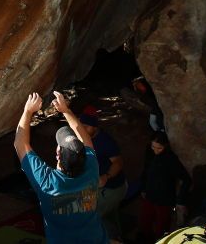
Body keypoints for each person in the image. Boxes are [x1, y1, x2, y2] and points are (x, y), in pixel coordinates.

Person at [14, 91, 107, 244]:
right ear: (84, 155)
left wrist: (28, 111)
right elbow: (87, 139)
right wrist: (66, 111)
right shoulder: (92, 169)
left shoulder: (46, 183)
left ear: (58, 154)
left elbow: (20, 144)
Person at [79, 106, 127, 237]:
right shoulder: (84, 137)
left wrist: (107, 176)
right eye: (81, 125)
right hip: (95, 185)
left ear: (95, 127)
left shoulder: (106, 141)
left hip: (112, 187)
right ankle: (114, 233)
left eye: (86, 126)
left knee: (87, 215)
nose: (82, 128)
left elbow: (118, 162)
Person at [138, 131, 191, 242]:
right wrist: (143, 188)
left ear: (165, 146)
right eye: (153, 147)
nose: (156, 151)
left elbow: (187, 179)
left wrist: (180, 201)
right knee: (145, 223)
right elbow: (145, 170)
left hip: (164, 199)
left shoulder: (171, 159)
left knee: (161, 229)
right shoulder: (150, 151)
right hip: (150, 195)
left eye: (159, 148)